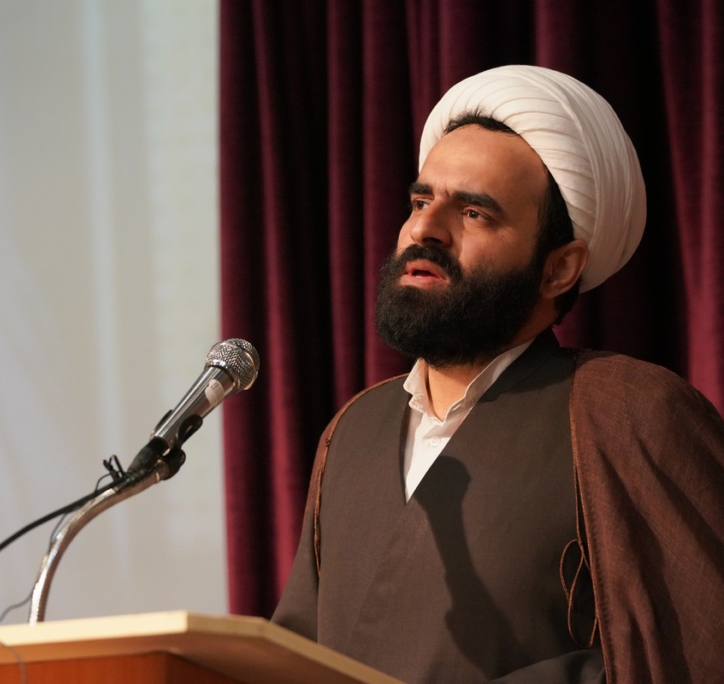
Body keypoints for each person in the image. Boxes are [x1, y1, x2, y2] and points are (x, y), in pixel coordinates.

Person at [271, 65, 724, 684]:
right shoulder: (354, 428)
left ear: (559, 268)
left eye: (474, 212)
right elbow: (294, 650)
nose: (425, 229)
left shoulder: (630, 410)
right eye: (421, 201)